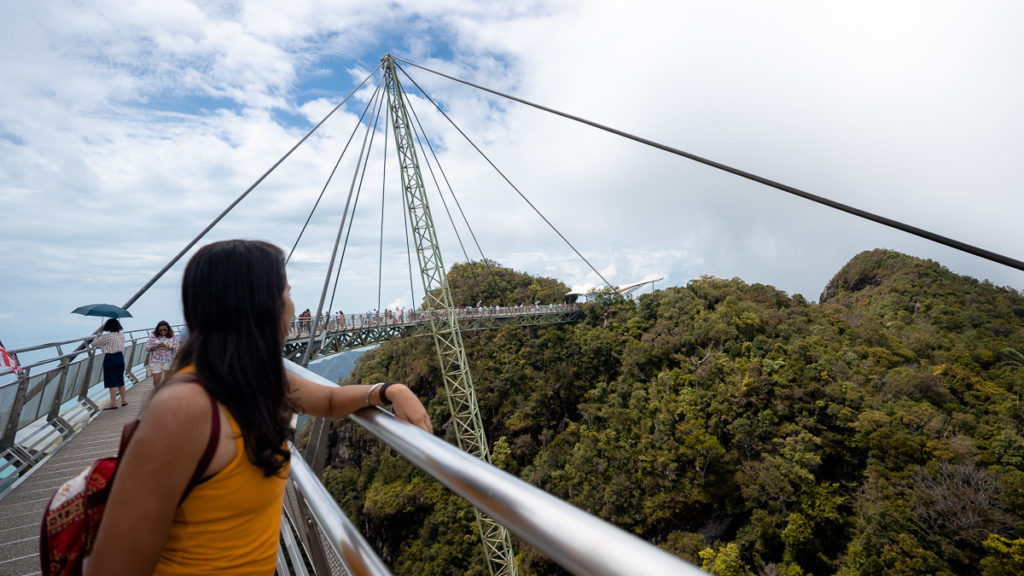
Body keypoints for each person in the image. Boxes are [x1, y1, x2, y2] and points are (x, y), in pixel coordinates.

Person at [86, 239, 432, 575]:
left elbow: (326, 400)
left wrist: (388, 390)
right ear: (260, 305)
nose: (294, 307)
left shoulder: (252, 378)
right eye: (288, 293)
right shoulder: (184, 408)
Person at [92, 318, 128, 409]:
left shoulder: (107, 336)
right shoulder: (122, 335)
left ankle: (114, 404)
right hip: (120, 358)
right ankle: (123, 400)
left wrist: (99, 333)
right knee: (120, 380)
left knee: (112, 382)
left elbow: (94, 344)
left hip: (110, 358)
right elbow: (116, 344)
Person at [145, 320, 179, 388]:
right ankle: (158, 393)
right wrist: (156, 346)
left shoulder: (172, 336)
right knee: (156, 381)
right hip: (156, 360)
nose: (163, 331)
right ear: (157, 330)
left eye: (165, 330)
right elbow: (147, 348)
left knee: (168, 380)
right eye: (160, 330)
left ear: (168, 329)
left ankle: (168, 395)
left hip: (169, 359)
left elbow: (176, 348)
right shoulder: (153, 336)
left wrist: (168, 346)